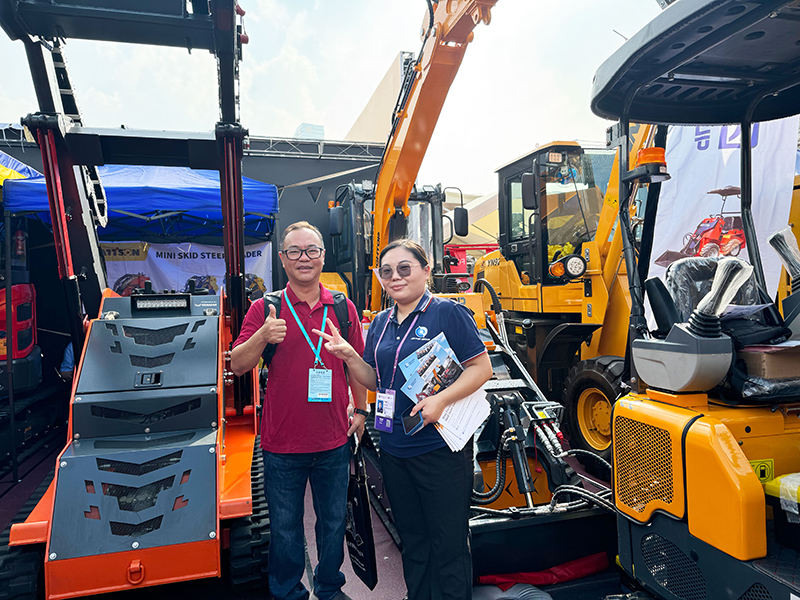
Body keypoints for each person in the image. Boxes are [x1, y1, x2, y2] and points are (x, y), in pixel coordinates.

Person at [314, 239, 493, 600]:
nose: (395, 277)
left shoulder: (447, 313)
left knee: (448, 545)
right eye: (387, 271)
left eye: (404, 268)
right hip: (395, 449)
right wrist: (349, 356)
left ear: (426, 271)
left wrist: (441, 399)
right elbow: (376, 380)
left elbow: (481, 368)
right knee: (413, 542)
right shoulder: (380, 323)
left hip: (439, 448)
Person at [230, 221, 367, 600]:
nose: (303, 258)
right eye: (294, 251)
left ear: (323, 256)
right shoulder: (265, 308)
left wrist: (361, 410)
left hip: (333, 440)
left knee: (333, 523)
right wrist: (262, 336)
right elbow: (237, 364)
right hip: (282, 444)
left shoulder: (342, 307)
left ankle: (329, 586)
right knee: (285, 527)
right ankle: (288, 591)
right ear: (282, 258)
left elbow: (356, 363)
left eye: (311, 250)